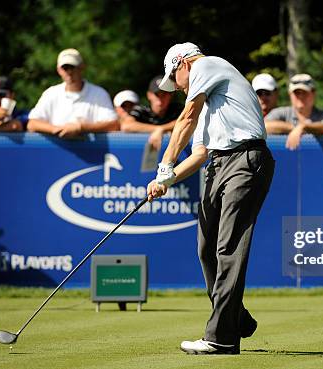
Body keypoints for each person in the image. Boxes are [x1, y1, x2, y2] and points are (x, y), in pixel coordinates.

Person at [146, 42, 274, 355]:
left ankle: (222, 338)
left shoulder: (206, 65)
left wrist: (164, 164)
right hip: (218, 164)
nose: (176, 87)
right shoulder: (211, 104)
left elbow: (186, 117)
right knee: (206, 248)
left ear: (182, 63)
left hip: (245, 160)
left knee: (228, 247)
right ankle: (237, 319)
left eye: (175, 79)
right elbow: (200, 153)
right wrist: (168, 179)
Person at [27, 48, 118, 138]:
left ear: (82, 67)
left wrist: (80, 127)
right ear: (59, 70)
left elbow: (113, 125)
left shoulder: (99, 94)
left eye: (72, 67)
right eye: (65, 68)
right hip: (57, 151)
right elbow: (32, 124)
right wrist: (58, 130)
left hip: (90, 151)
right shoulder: (50, 93)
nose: (69, 72)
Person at [120, 75, 183, 150]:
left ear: (171, 95)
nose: (160, 99)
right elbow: (126, 126)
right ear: (149, 95)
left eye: (164, 94)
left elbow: (187, 121)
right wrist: (159, 129)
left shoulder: (178, 109)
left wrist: (161, 129)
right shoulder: (141, 110)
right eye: (157, 94)